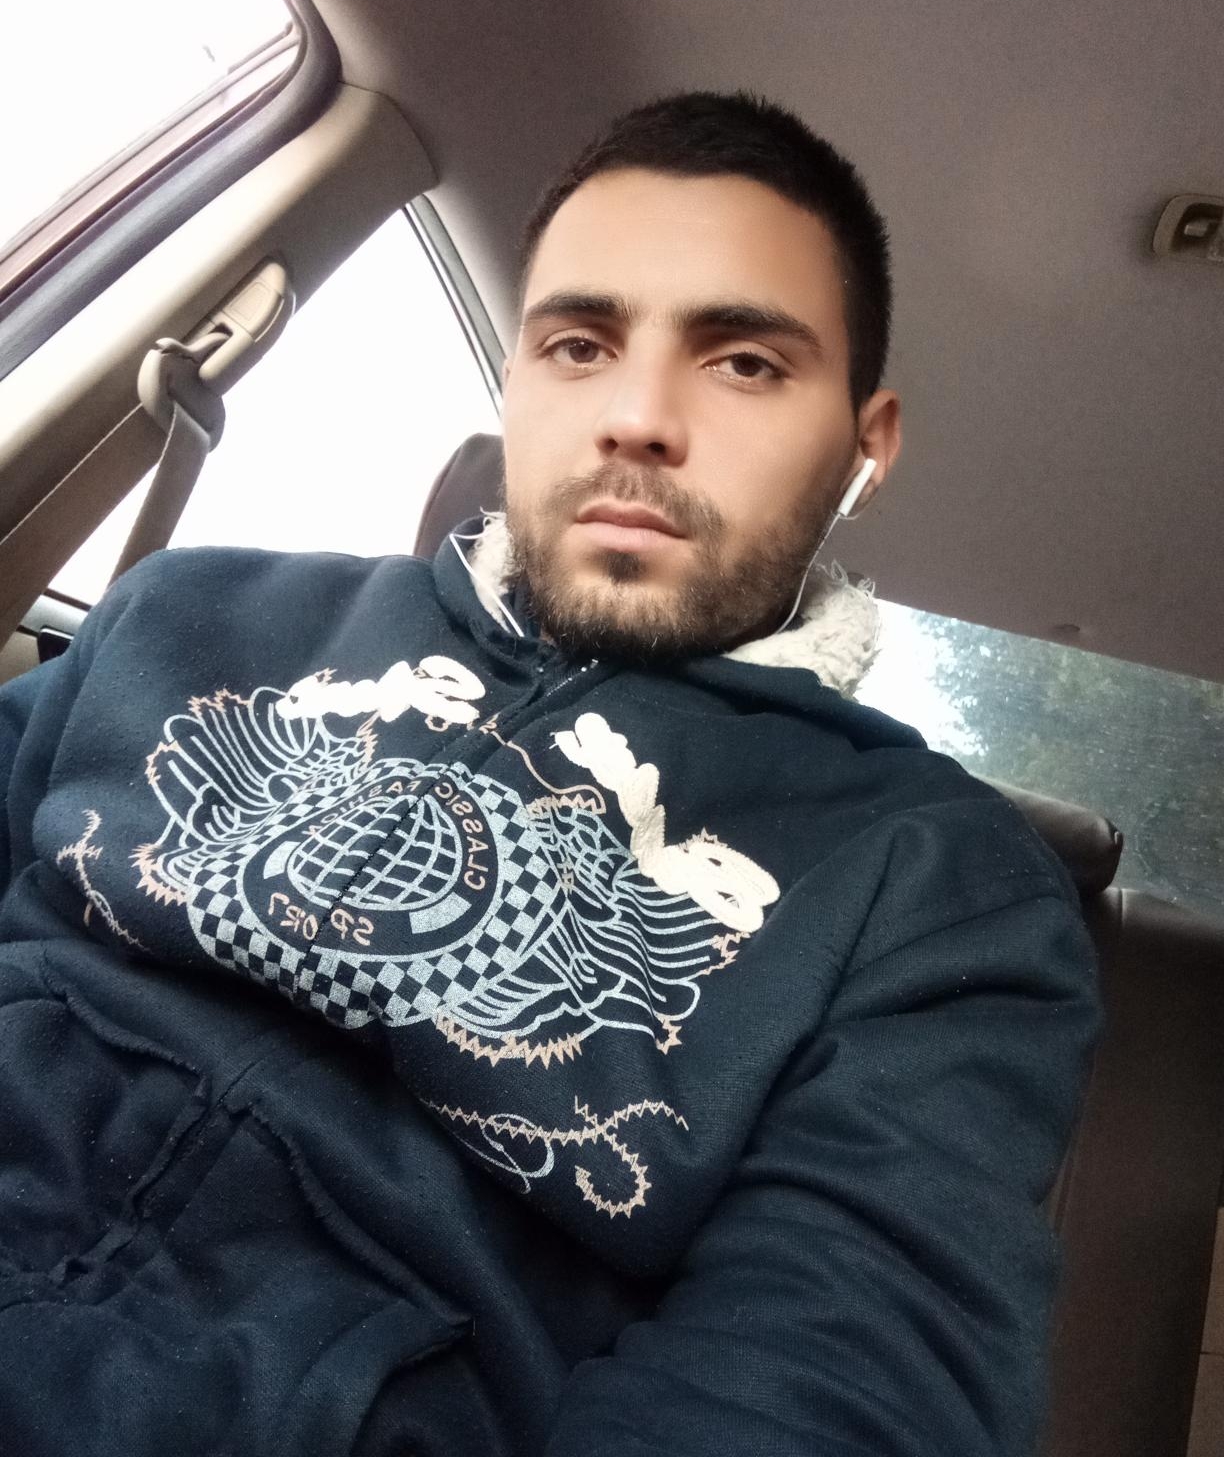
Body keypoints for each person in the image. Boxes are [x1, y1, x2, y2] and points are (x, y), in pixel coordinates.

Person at [0, 90, 1098, 1457]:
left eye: (745, 362)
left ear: (864, 446)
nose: (636, 416)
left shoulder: (942, 890)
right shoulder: (194, 608)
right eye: (579, 345)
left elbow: (841, 1371)